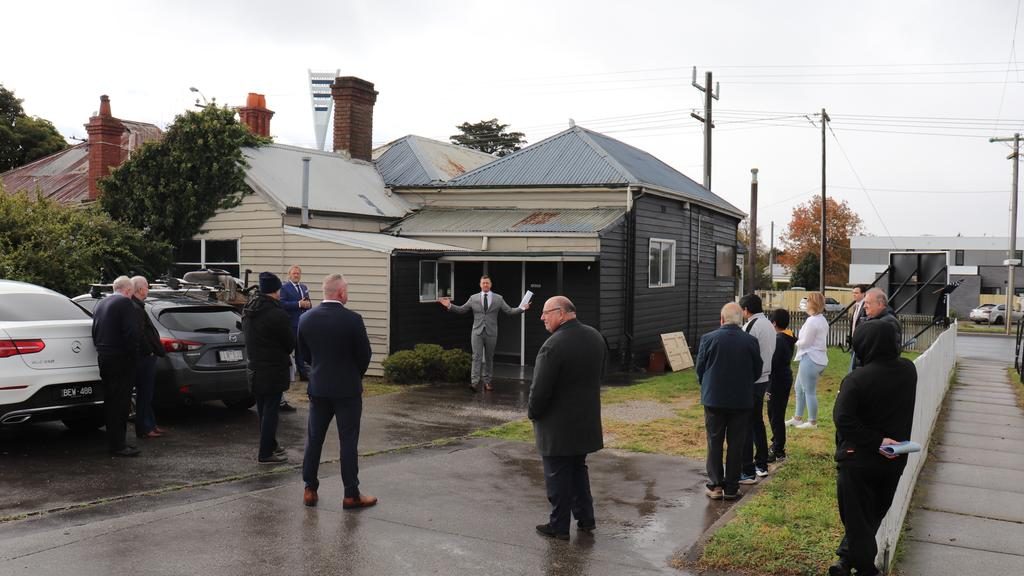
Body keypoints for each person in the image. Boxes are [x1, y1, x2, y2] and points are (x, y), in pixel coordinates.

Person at [829, 320, 917, 576]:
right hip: (894, 460)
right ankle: (845, 560)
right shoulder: (909, 370)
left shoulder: (856, 379)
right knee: (872, 515)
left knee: (857, 519)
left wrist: (875, 441)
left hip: (857, 459)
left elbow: (842, 418)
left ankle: (867, 569)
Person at [528, 296, 606, 541]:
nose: (542, 318)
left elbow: (540, 390)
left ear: (561, 313)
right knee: (577, 470)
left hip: (557, 425)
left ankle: (559, 526)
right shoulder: (595, 337)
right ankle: (586, 519)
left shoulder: (553, 346)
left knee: (557, 475)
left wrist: (533, 412)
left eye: (545, 313)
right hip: (585, 420)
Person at [298, 273, 375, 509]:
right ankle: (350, 494)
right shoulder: (353, 319)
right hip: (347, 390)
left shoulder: (306, 318)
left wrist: (319, 371)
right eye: (347, 290)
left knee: (314, 439)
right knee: (348, 441)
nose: (347, 294)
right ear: (341, 292)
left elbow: (305, 354)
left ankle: (310, 488)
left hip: (319, 387)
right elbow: (365, 355)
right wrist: (353, 375)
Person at [696, 302, 763, 500]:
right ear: (740, 319)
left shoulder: (708, 339)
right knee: (736, 443)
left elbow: (700, 368)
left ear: (722, 319)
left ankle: (716, 485)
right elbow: (757, 370)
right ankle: (732, 487)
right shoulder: (750, 341)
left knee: (714, 441)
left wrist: (707, 385)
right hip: (741, 400)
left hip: (714, 398)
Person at [439, 275, 529, 392]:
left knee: (489, 358)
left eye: (487, 283)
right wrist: (449, 306)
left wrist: (522, 308)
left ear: (490, 284)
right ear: (480, 285)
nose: (485, 285)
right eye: (483, 283)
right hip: (477, 332)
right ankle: (474, 383)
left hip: (491, 332)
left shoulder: (498, 298)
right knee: (476, 357)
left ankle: (487, 382)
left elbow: (509, 311)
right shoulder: (473, 298)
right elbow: (462, 309)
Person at [242, 272, 295, 465]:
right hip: (273, 368)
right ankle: (265, 452)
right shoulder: (276, 313)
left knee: (263, 410)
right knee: (271, 412)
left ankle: (271, 444)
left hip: (254, 366)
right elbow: (289, 343)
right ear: (275, 290)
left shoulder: (248, 310)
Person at [91, 276, 141, 457]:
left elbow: (95, 331)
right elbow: (132, 333)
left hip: (104, 357)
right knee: (121, 403)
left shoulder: (101, 304)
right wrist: (133, 356)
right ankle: (119, 445)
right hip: (121, 358)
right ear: (129, 290)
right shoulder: (125, 304)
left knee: (111, 401)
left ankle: (114, 442)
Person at [738, 294, 775, 485]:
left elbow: (745, 352)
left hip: (753, 379)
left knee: (746, 424)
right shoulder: (768, 323)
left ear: (746, 310)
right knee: (757, 422)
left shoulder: (751, 326)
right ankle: (761, 464)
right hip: (765, 377)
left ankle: (748, 469)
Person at [786, 292, 829, 430]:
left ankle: (812, 422)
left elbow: (806, 342)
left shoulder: (812, 321)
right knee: (799, 388)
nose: (805, 303)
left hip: (811, 358)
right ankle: (798, 418)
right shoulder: (820, 319)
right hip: (816, 358)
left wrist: (793, 340)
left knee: (809, 391)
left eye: (808, 300)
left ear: (813, 303)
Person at [131, 276, 166, 440]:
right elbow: (140, 333)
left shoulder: (138, 306)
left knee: (148, 393)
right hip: (144, 357)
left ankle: (150, 424)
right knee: (144, 393)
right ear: (139, 289)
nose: (148, 289)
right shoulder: (136, 308)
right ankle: (145, 427)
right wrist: (149, 351)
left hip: (145, 356)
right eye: (147, 287)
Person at [278, 265, 310, 412]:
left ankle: (303, 374)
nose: (296, 275)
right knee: (290, 351)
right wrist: (298, 304)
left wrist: (308, 304)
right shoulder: (285, 288)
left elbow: (308, 303)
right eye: (294, 273)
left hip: (303, 323)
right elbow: (282, 304)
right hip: (291, 324)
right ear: (289, 275)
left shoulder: (304, 287)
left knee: (301, 351)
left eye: (298, 273)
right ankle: (288, 377)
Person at [766, 308, 796, 463]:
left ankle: (778, 448)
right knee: (776, 413)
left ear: (774, 323)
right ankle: (777, 444)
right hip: (783, 378)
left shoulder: (779, 340)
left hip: (777, 381)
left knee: (775, 415)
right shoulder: (788, 336)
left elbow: (772, 363)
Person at [857, 288, 903, 363]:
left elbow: (889, 353)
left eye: (867, 303)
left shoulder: (888, 324)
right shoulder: (871, 320)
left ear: (880, 304)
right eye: (864, 303)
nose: (864, 306)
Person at [848, 284, 869, 371]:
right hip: (854, 338)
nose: (854, 295)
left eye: (856, 293)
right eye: (853, 293)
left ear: (863, 294)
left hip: (861, 340)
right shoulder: (855, 306)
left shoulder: (865, 306)